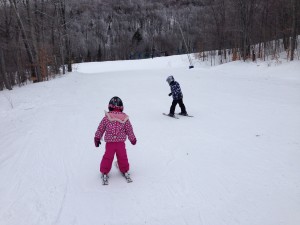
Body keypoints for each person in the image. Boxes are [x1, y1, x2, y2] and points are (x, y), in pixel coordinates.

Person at [94, 96, 137, 183]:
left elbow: (101, 128)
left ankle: (105, 171)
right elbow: (129, 130)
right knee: (122, 156)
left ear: (109, 106)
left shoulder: (107, 117)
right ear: (121, 107)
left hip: (110, 144)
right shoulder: (125, 119)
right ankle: (124, 169)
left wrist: (97, 138)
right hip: (120, 143)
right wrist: (132, 139)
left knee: (108, 157)